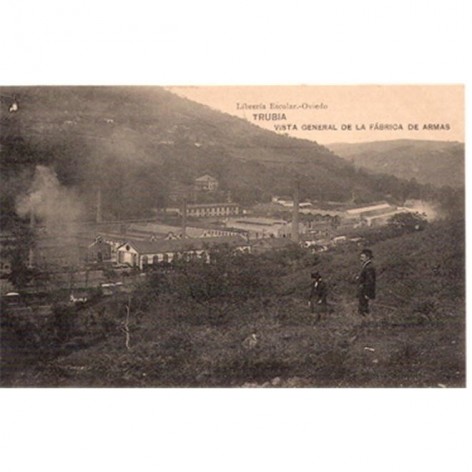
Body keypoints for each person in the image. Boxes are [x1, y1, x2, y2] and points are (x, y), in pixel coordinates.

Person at [357, 249, 376, 316]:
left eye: (362, 257)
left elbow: (370, 281)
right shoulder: (366, 266)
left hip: (365, 291)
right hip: (363, 291)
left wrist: (367, 293)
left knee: (364, 309)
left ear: (367, 257)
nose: (361, 259)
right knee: (363, 308)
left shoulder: (369, 267)